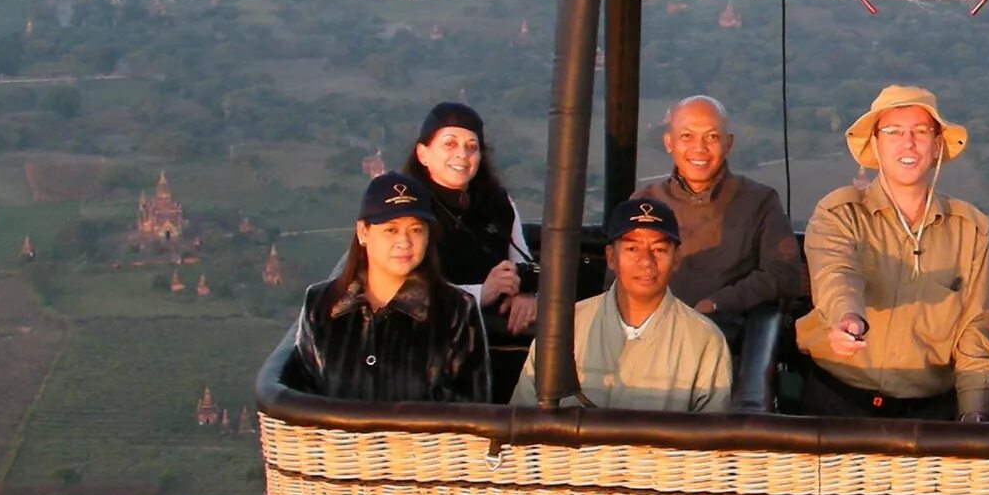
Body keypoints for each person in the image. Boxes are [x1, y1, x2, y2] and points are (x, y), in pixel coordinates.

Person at [796, 84, 989, 422]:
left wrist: (973, 414)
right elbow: (836, 275)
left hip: (928, 412)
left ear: (937, 145)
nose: (908, 143)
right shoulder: (839, 213)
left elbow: (974, 329)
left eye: (921, 132)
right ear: (876, 144)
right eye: (893, 132)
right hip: (837, 403)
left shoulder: (970, 229)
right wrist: (847, 319)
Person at [283, 170, 490, 403]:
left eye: (416, 230)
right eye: (390, 230)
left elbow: (472, 409)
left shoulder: (455, 310)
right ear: (363, 232)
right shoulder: (322, 304)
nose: (404, 242)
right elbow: (302, 397)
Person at [517, 194, 732, 412]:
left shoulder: (704, 339)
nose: (646, 262)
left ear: (676, 258)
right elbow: (522, 418)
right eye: (632, 249)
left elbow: (710, 439)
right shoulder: (566, 326)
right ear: (611, 257)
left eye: (659, 250)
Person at [639, 94, 806, 322]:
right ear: (669, 142)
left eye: (712, 137)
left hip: (726, 334)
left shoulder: (758, 201)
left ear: (728, 144)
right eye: (687, 136)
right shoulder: (645, 203)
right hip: (653, 331)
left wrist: (718, 303)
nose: (699, 148)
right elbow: (618, 279)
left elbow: (785, 273)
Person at [408, 100, 536, 337]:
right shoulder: (407, 209)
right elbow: (405, 290)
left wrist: (525, 293)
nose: (462, 154)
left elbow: (521, 259)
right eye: (450, 144)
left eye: (471, 146)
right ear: (422, 154)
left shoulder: (498, 203)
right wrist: (480, 293)